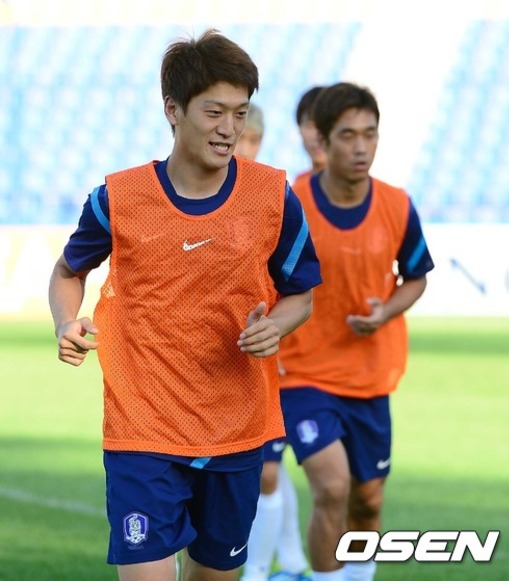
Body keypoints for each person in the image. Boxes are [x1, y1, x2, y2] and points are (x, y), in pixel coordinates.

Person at [48, 29, 322, 581]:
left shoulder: (273, 197)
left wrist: (276, 326)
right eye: (214, 112)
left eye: (239, 113)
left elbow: (301, 293)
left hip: (236, 426)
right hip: (142, 426)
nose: (229, 128)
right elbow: (68, 271)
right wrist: (65, 322)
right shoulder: (118, 198)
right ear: (173, 110)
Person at [278, 82, 434, 581]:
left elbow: (416, 277)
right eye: (348, 135)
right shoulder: (290, 205)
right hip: (302, 374)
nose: (361, 146)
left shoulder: (397, 205)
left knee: (367, 501)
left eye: (370, 134)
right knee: (332, 487)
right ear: (323, 141)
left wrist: (385, 312)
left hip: (369, 377)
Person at [237, 106, 310, 581]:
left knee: (267, 469)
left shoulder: (273, 198)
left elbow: (299, 288)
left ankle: (260, 570)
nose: (243, 147)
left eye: (252, 139)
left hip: (271, 355)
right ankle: (295, 559)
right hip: (224, 359)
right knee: (267, 468)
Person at [291, 86, 328, 190]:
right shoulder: (295, 190)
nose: (318, 136)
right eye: (310, 126)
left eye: (325, 125)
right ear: (299, 129)